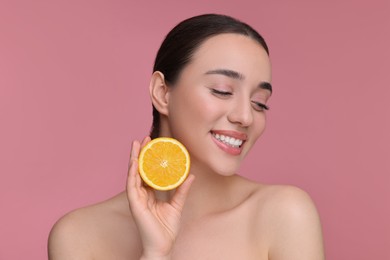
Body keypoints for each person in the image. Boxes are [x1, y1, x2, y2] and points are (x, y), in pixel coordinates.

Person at [48, 14, 325, 259]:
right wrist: (156, 254)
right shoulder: (79, 236)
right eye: (222, 90)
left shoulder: (284, 215)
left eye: (260, 102)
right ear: (162, 93)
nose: (246, 117)